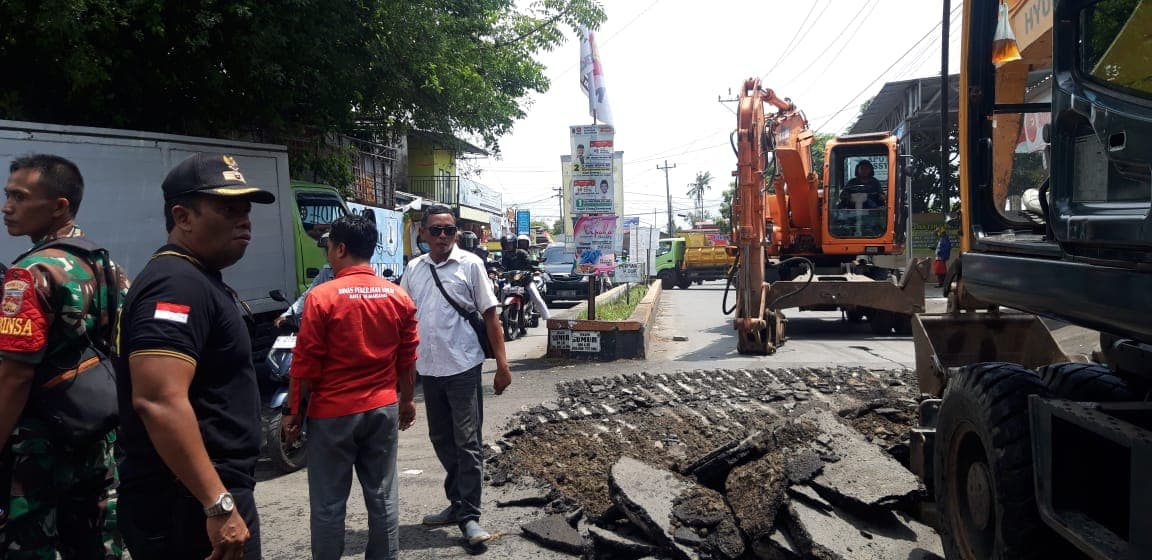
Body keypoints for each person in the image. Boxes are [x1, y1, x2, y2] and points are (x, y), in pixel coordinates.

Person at [116, 152, 274, 560]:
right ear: (183, 217)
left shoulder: (198, 278)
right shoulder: (175, 284)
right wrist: (217, 504)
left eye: (245, 209)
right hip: (186, 503)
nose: (244, 219)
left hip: (204, 493)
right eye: (227, 208)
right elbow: (158, 401)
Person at [0, 154, 127, 558]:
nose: (7, 207)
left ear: (59, 206)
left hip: (38, 450)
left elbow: (15, 375)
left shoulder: (29, 275)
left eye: (19, 197)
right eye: (7, 196)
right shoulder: (103, 262)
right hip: (95, 436)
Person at [283, 215, 419, 560]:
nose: (328, 253)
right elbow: (407, 357)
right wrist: (406, 402)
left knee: (329, 504)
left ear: (340, 248)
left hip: (332, 415)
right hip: (383, 408)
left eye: (329, 247)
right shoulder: (397, 296)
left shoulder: (322, 298)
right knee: (383, 497)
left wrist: (294, 413)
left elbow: (305, 363)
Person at [400, 205, 511, 547]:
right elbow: (404, 320)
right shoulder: (414, 269)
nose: (443, 236)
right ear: (423, 233)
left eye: (449, 230)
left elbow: (491, 317)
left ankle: (470, 515)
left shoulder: (471, 265)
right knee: (441, 439)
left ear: (457, 233)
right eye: (436, 230)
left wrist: (503, 366)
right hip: (429, 369)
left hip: (464, 367)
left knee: (468, 443)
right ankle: (456, 502)